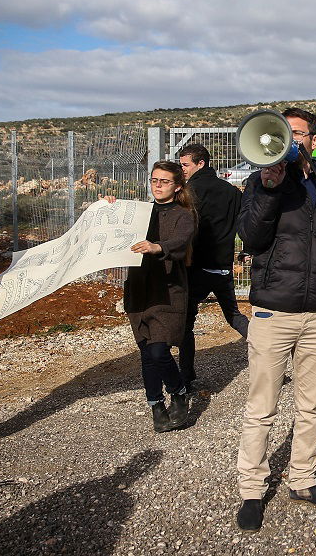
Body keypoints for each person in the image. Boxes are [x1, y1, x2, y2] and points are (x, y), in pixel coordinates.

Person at [234, 107, 316, 531]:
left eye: (297, 133)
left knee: (310, 405)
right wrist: (269, 188)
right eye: (286, 132)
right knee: (261, 407)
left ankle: (302, 477)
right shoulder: (261, 183)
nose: (291, 139)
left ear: (314, 140)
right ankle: (251, 488)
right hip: (273, 310)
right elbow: (252, 236)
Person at [109, 161, 197, 433]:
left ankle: (178, 391)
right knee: (147, 352)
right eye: (154, 180)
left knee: (160, 350)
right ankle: (155, 404)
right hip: (138, 290)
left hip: (167, 292)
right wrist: (108, 206)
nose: (158, 185)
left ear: (178, 186)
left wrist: (157, 246)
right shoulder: (140, 212)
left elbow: (181, 241)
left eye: (165, 181)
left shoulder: (185, 214)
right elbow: (114, 224)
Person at [177, 143, 249, 393]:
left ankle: (185, 379)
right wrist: (245, 249)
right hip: (222, 269)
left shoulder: (188, 192)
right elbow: (244, 222)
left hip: (196, 269)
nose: (182, 169)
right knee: (234, 316)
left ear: (201, 164)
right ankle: (270, 362)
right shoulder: (231, 192)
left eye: (185, 165)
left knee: (186, 323)